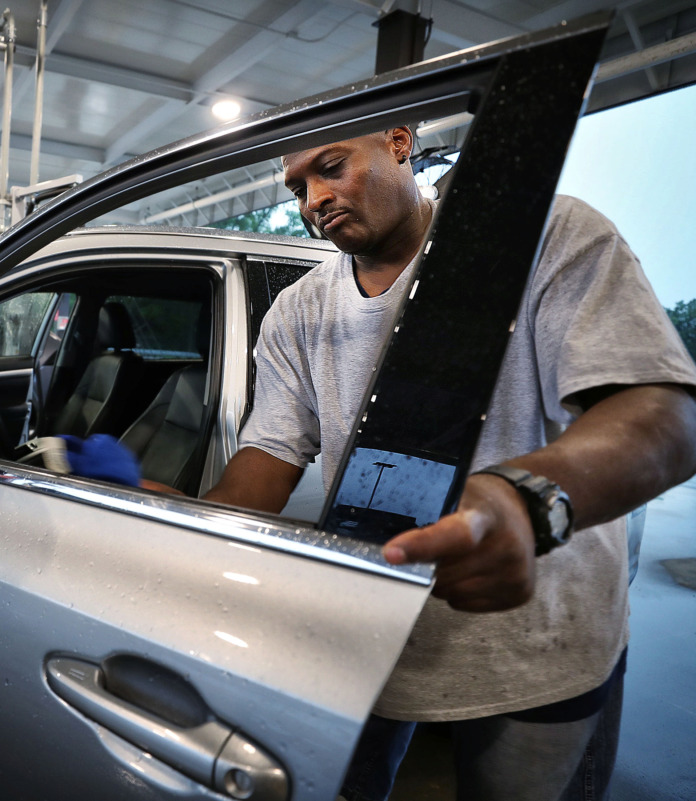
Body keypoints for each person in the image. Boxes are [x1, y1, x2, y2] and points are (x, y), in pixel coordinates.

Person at [201, 126, 696, 800]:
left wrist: (522, 499)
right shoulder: (299, 310)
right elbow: (268, 456)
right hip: (370, 633)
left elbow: (667, 417)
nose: (314, 200)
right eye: (297, 189)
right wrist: (169, 519)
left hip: (542, 644)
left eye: (332, 167)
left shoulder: (544, 236)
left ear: (399, 142)